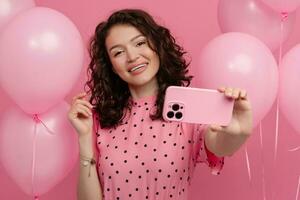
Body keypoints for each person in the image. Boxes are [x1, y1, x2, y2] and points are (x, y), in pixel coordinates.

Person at [67, 8, 253, 200]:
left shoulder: (187, 109)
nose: (132, 57)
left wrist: (238, 132)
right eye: (118, 52)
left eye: (140, 43)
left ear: (157, 46)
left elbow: (220, 145)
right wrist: (84, 137)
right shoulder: (100, 118)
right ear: (112, 66)